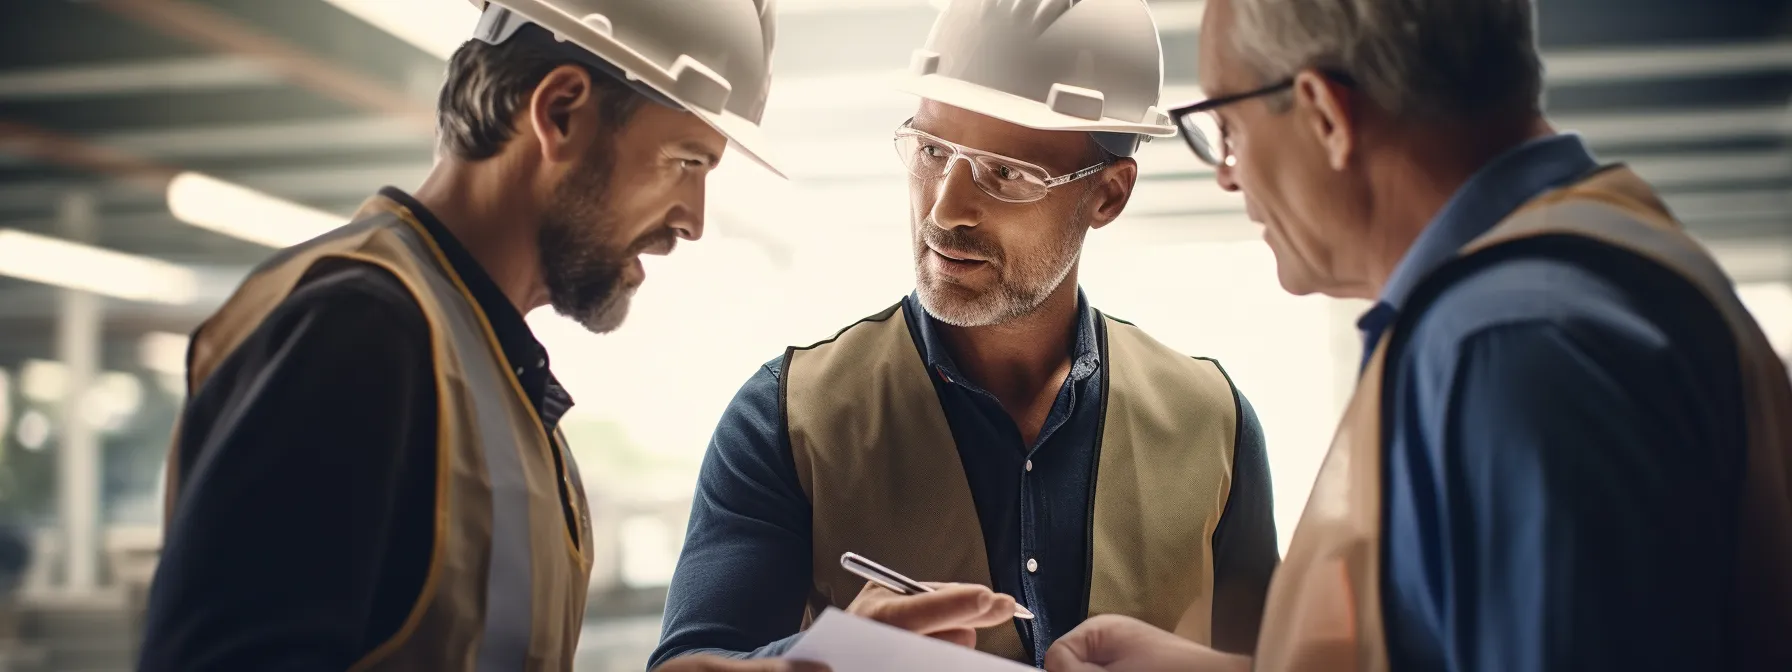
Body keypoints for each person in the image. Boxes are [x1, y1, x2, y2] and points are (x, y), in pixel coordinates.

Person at [1046, 0, 1792, 670]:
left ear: (1325, 115)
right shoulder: (1615, 268)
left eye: (1230, 130)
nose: (1229, 178)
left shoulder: (1507, 347)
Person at [136, 1, 796, 670]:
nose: (693, 221)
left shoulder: (486, 370)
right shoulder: (358, 330)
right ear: (561, 112)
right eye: (686, 161)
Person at [651, 0, 1280, 668]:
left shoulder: (1216, 424)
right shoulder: (786, 420)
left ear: (1108, 196)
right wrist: (825, 660)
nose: (945, 210)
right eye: (932, 151)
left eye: (1007, 172)